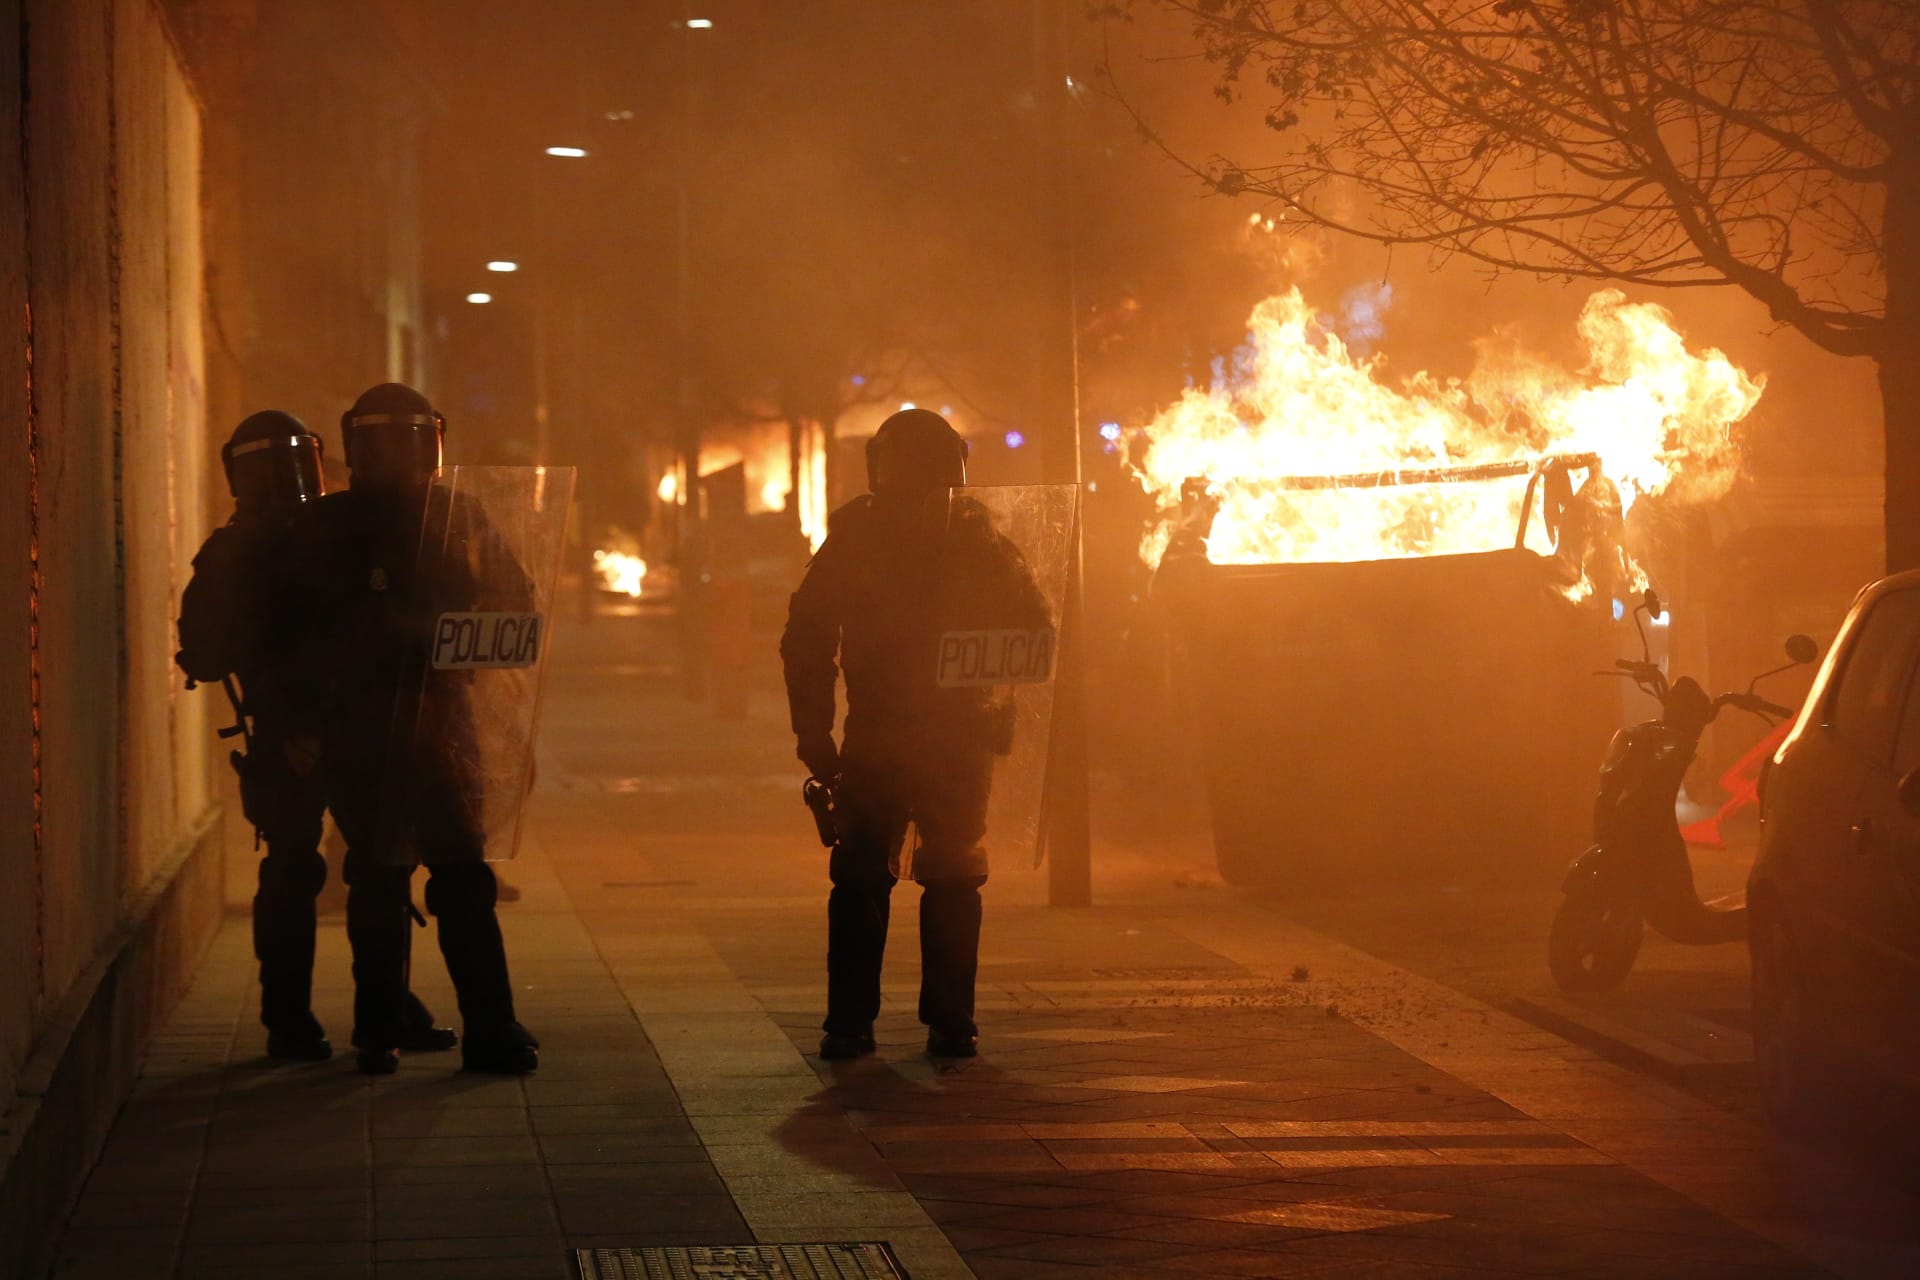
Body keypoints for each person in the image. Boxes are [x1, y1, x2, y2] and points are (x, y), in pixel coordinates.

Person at [176, 410, 454, 1062]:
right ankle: (381, 1023)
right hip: (355, 732)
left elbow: (204, 657)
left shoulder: (234, 550)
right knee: (377, 872)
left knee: (293, 871)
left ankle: (292, 1025)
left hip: (286, 740)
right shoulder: (339, 530)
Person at [781, 408, 1050, 1061]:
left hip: (888, 732)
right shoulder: (981, 540)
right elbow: (1035, 636)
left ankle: (851, 1023)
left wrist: (815, 733)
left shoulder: (859, 537)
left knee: (864, 879)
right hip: (952, 735)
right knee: (951, 876)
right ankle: (950, 1020)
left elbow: (805, 640)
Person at [313, 382, 540, 1075]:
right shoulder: (453, 516)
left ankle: (379, 1032)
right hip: (426, 723)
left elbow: (513, 609)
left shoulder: (328, 524)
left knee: (383, 879)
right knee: (455, 880)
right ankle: (488, 1030)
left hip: (378, 727)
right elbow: (515, 606)